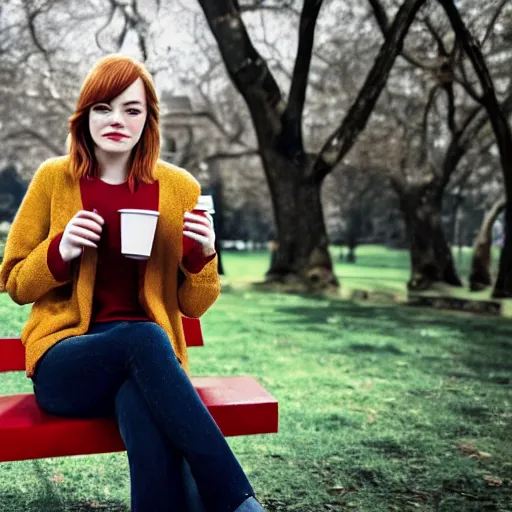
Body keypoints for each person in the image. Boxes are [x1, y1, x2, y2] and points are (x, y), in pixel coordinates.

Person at [0, 54, 264, 512]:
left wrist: (201, 257)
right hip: (66, 362)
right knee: (143, 336)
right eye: (103, 108)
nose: (117, 120)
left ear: (149, 119)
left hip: (148, 367)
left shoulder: (178, 188)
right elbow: (14, 282)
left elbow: (195, 306)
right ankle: (236, 500)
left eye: (131, 109)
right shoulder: (53, 179)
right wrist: (58, 252)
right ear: (85, 116)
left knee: (141, 402)